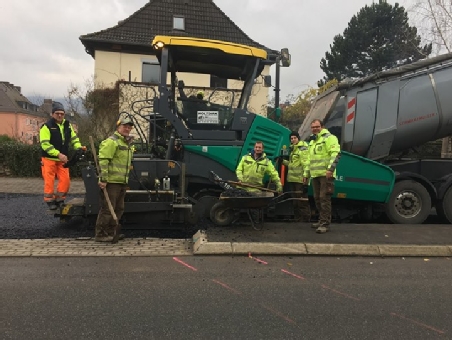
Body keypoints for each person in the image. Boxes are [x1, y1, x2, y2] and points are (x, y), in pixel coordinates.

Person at [94, 116, 134, 242]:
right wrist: (103, 179)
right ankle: (100, 234)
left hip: (121, 182)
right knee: (107, 209)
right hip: (111, 182)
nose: (127, 128)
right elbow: (104, 161)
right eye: (124, 126)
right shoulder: (112, 142)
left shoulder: (126, 143)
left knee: (119, 208)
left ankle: (111, 232)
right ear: (118, 127)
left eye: (129, 127)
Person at [39, 101, 82, 210]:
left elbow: (74, 139)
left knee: (65, 180)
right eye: (57, 113)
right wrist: (58, 154)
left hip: (62, 159)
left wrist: (79, 147)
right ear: (52, 114)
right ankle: (49, 200)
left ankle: (60, 199)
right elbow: (45, 144)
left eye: (62, 113)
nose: (59, 115)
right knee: (49, 181)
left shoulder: (68, 125)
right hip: (49, 159)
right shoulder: (46, 127)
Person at [303, 119, 341, 234]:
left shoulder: (329, 138)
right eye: (313, 127)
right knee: (317, 199)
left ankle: (325, 224)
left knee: (324, 199)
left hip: (326, 175)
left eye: (317, 126)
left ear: (322, 126)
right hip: (315, 175)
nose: (314, 129)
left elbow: (336, 154)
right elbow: (309, 160)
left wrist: (330, 169)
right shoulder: (312, 141)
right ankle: (321, 220)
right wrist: (306, 174)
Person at [282, 131, 311, 222]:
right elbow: (293, 164)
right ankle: (298, 220)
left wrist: (305, 178)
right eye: (291, 138)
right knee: (295, 202)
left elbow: (306, 164)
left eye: (294, 138)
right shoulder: (293, 149)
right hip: (292, 180)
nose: (293, 140)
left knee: (301, 201)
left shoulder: (302, 149)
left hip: (300, 180)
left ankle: (305, 221)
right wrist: (282, 161)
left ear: (298, 138)